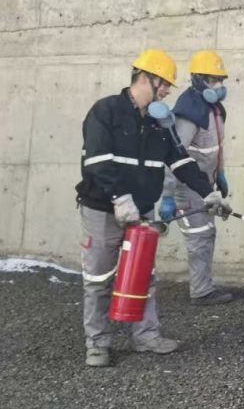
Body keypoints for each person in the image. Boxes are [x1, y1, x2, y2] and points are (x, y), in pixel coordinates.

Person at [76, 50, 231, 368]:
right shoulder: (106, 110)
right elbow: (96, 162)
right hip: (102, 209)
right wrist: (119, 198)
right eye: (165, 84)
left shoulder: (161, 122)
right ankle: (97, 343)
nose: (168, 91)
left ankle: (146, 336)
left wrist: (209, 193)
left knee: (143, 275)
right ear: (146, 78)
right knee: (99, 278)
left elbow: (181, 162)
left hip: (141, 211)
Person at [158, 50, 234, 306]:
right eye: (214, 80)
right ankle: (201, 292)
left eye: (221, 80)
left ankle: (203, 286)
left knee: (206, 234)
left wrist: (220, 175)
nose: (219, 85)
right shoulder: (188, 112)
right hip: (186, 187)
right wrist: (168, 195)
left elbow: (215, 147)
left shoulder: (213, 109)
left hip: (204, 186)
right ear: (199, 80)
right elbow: (174, 156)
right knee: (200, 237)